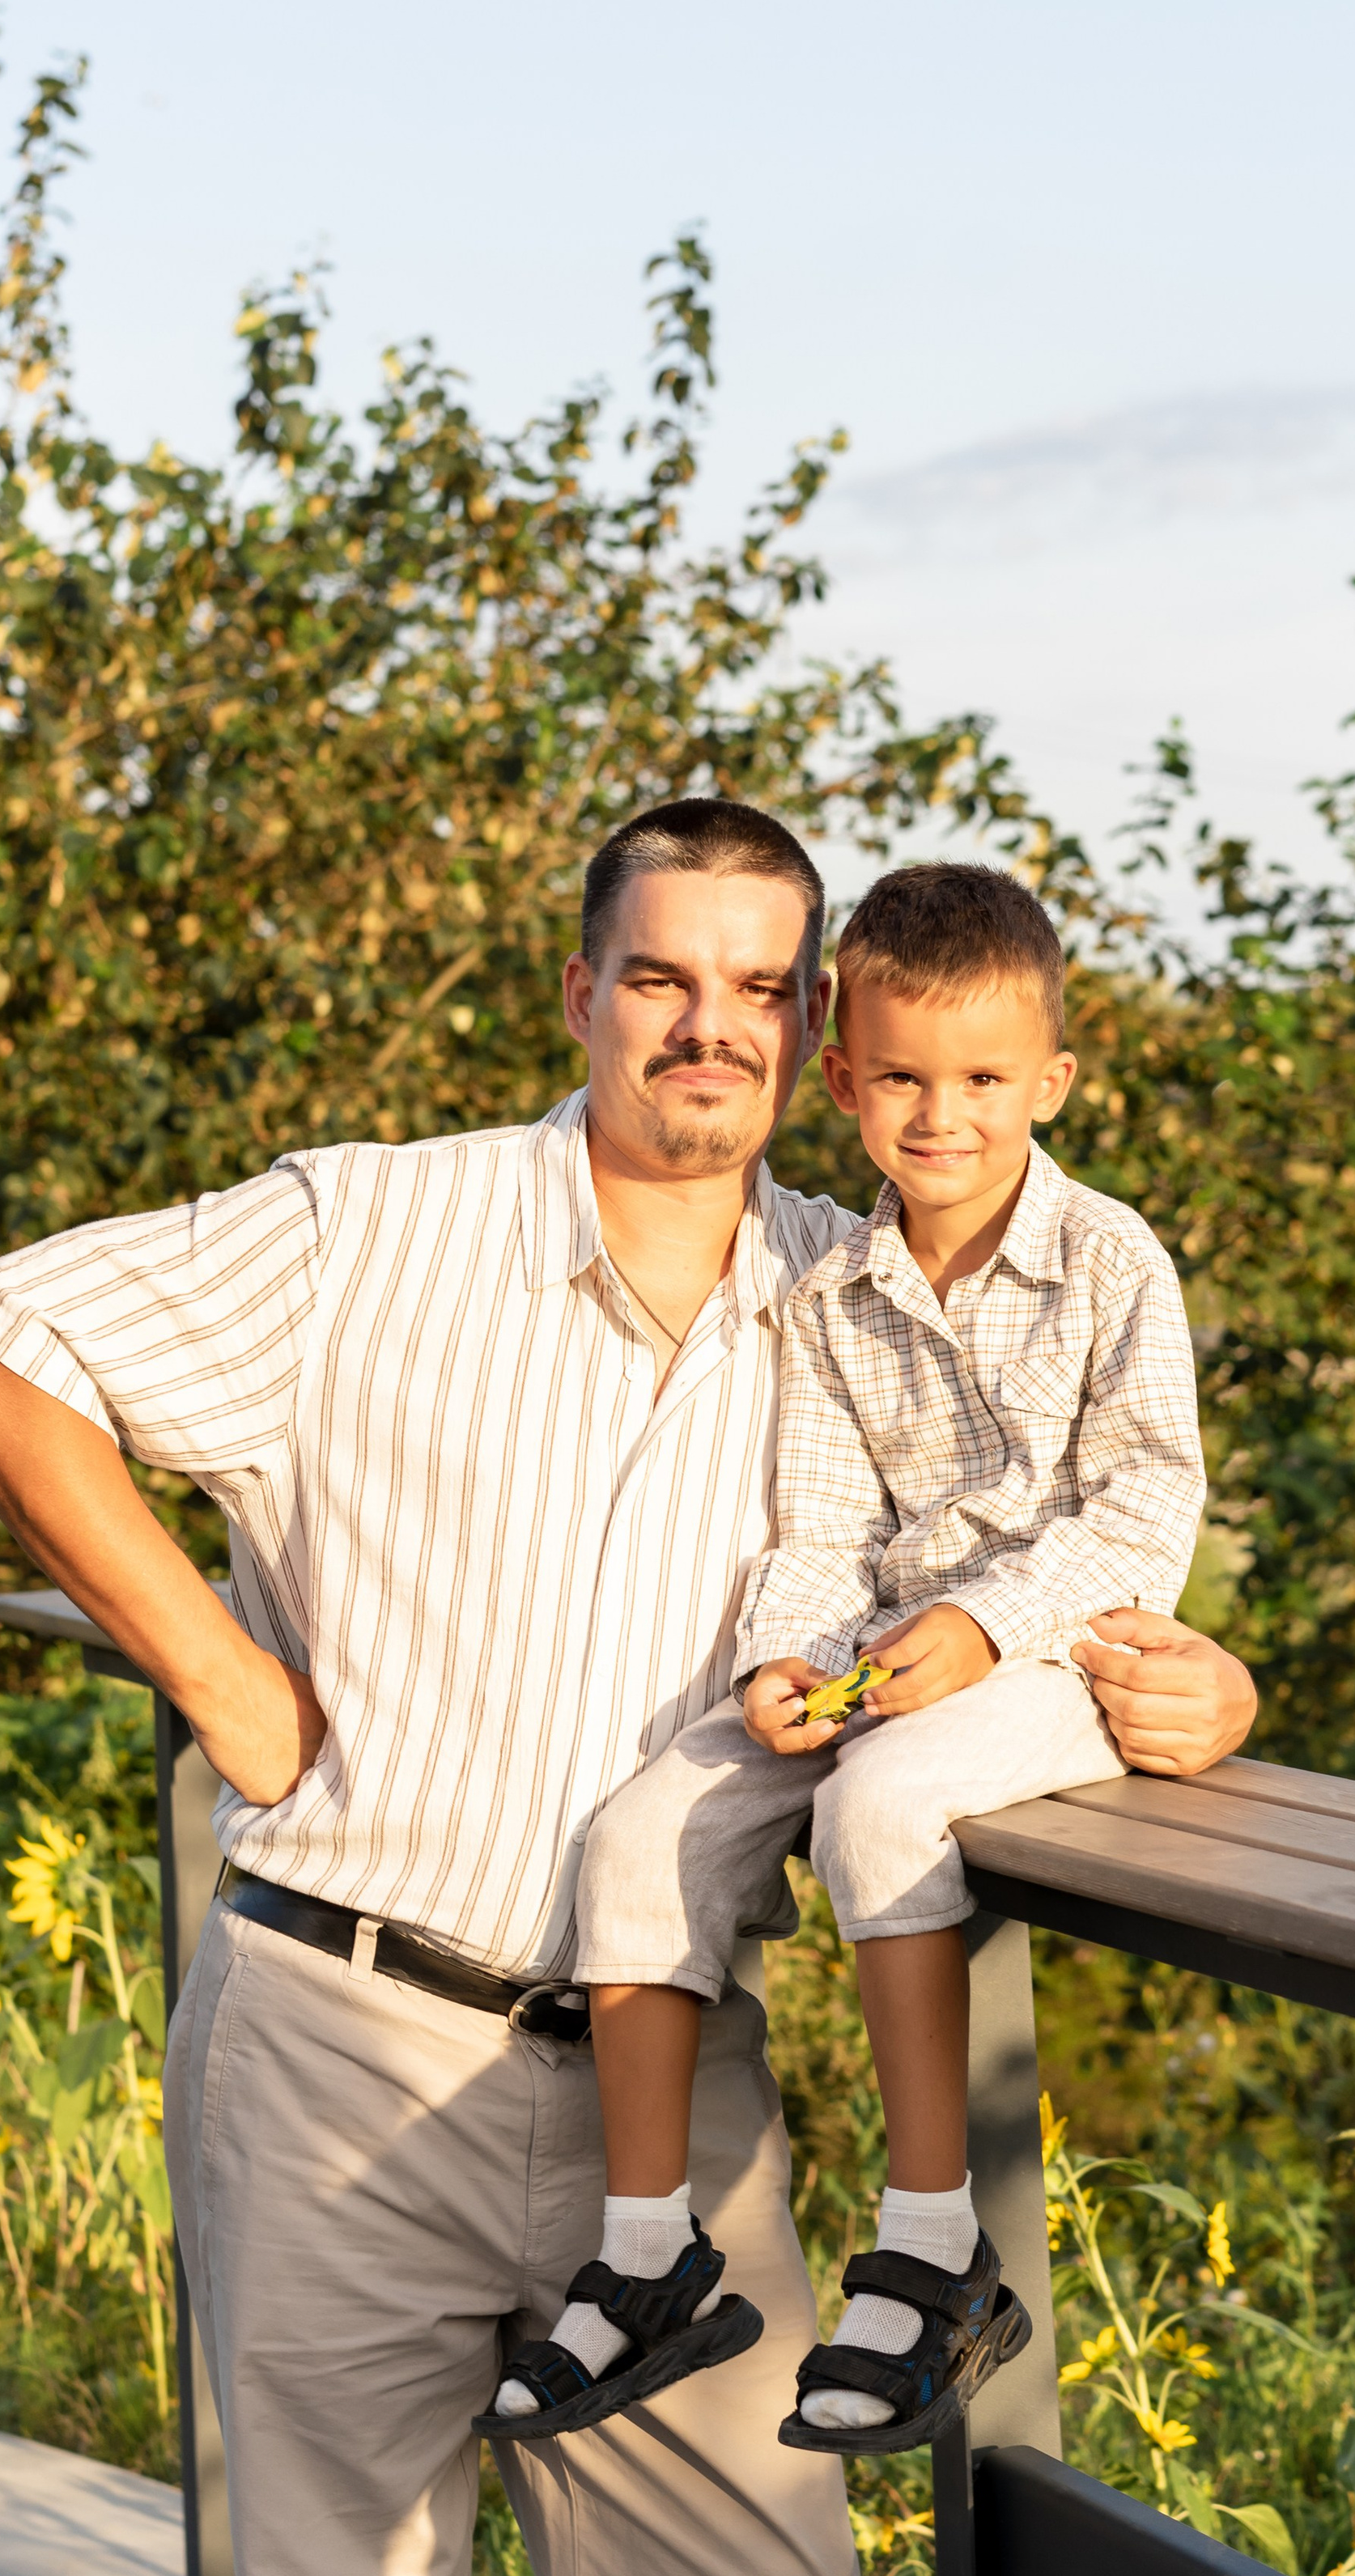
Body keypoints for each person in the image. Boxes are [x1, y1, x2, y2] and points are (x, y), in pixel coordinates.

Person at [0, 799, 1257, 2576]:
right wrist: (220, 1680)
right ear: (582, 993)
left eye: (757, 992)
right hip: (344, 2042)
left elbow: (1056, 1534)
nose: (706, 1029)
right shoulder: (366, 1229)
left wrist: (1210, 1690)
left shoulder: (858, 1285)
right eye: (658, 979)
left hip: (669, 2074)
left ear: (812, 1028)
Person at [485, 863, 1204, 2455]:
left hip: (1058, 1660)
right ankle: (652, 2239)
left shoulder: (1108, 1264)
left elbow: (1148, 1503)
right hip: (879, 1663)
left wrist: (988, 1627)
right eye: (897, 1078)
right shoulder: (831, 1293)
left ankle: (935, 2241)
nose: (937, 1116)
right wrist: (782, 1660)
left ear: (1051, 1083)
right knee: (644, 1825)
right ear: (841, 1079)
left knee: (878, 1807)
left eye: (981, 1082)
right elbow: (816, 1525)